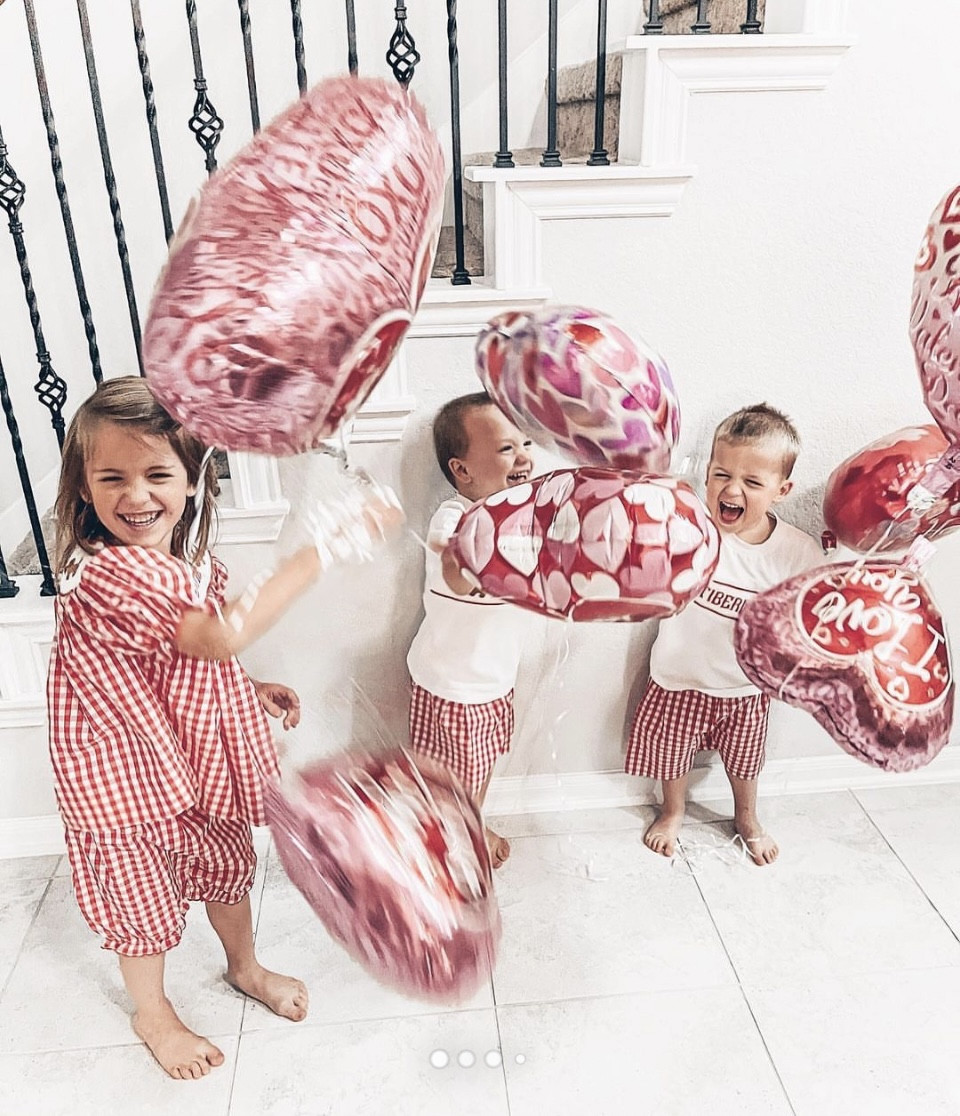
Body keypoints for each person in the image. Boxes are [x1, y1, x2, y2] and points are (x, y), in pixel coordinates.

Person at [47, 376, 393, 1079]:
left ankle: (245, 966)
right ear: (83, 489)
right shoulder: (109, 574)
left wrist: (247, 687)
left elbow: (191, 656)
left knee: (226, 867)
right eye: (111, 477)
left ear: (192, 482)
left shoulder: (186, 563)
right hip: (124, 775)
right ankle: (153, 1012)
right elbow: (216, 637)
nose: (136, 496)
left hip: (194, 755)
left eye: (156, 475)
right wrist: (322, 548)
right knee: (142, 896)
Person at [625, 403, 823, 865]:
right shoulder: (687, 527)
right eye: (721, 474)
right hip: (678, 675)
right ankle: (673, 811)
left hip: (745, 688)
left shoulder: (795, 552)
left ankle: (746, 817)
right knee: (671, 757)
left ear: (782, 490)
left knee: (746, 761)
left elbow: (812, 614)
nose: (731, 490)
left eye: (753, 482)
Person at [407, 392, 535, 869]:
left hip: (491, 678)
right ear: (463, 471)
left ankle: (469, 823)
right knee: (456, 777)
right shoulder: (455, 518)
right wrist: (469, 563)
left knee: (476, 770)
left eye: (525, 442)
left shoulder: (522, 516)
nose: (523, 456)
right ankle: (453, 848)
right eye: (505, 448)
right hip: (455, 687)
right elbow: (454, 566)